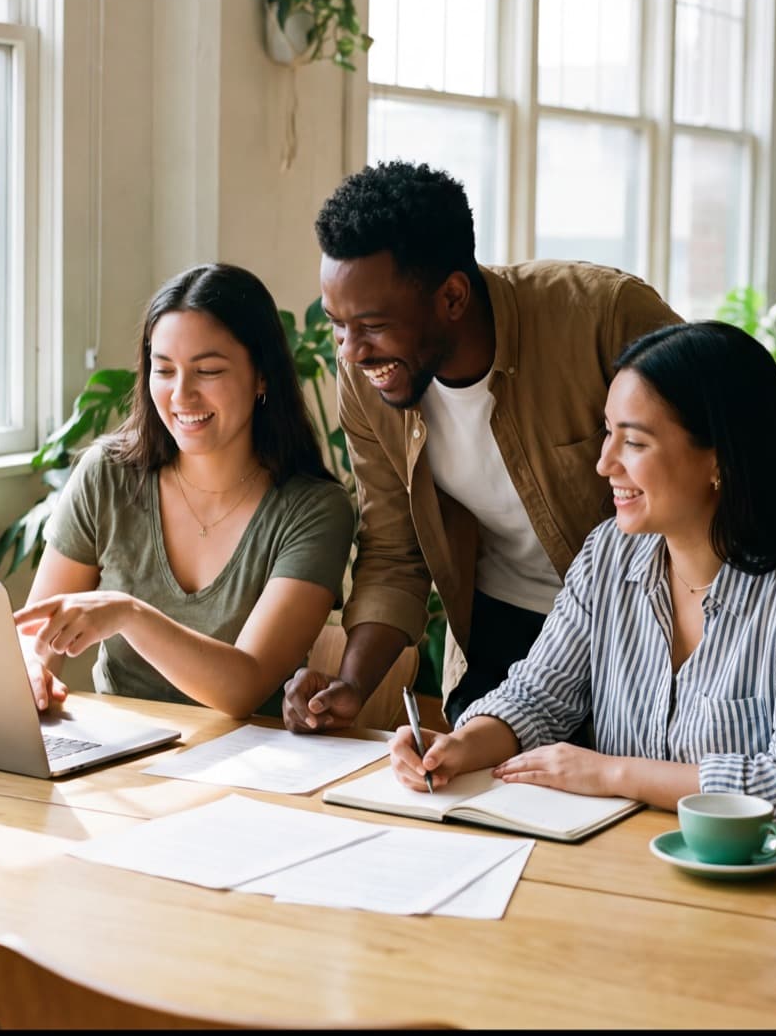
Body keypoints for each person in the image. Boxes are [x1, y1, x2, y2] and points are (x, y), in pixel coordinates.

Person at [387, 321, 776, 833]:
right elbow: (538, 696)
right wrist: (458, 746)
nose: (605, 463)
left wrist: (612, 773)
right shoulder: (608, 554)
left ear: (719, 456)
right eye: (608, 432)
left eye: (634, 442)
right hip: (629, 867)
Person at [281, 160, 682, 735]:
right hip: (504, 629)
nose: (350, 352)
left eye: (370, 325)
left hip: (646, 632)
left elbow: (725, 454)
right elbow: (395, 549)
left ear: (452, 296)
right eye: (337, 326)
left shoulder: (601, 317)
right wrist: (351, 685)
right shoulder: (369, 378)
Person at [13, 262, 356, 720]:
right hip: (116, 761)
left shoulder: (314, 509)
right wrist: (31, 670)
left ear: (262, 376)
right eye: (164, 370)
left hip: (249, 769)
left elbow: (244, 686)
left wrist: (128, 614)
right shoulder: (107, 476)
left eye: (208, 371)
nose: (181, 395)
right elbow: (34, 633)